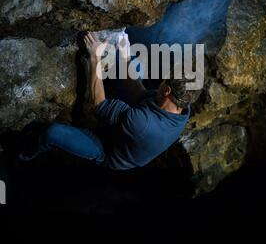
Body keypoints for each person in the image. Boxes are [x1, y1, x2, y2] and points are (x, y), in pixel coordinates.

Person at [20, 32, 200, 169]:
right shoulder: (181, 107)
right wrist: (125, 56)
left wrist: (95, 57)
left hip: (108, 148)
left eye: (165, 80)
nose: (161, 80)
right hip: (134, 125)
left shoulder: (143, 123)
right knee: (134, 63)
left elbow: (97, 103)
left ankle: (24, 152)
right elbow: (139, 93)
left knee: (53, 132)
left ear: (167, 90)